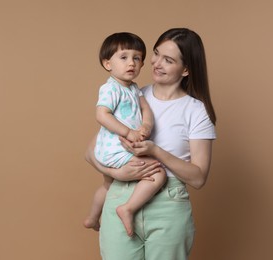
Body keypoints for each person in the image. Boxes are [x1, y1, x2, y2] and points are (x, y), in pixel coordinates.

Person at [85, 28, 217, 260]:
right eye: (156, 54)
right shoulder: (130, 94)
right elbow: (90, 153)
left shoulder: (195, 111)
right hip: (120, 196)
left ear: (185, 69)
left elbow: (198, 178)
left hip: (168, 204)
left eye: (168, 60)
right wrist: (118, 173)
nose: (156, 63)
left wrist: (155, 151)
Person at [83, 32, 167, 237]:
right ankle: (127, 208)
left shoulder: (134, 88)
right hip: (116, 147)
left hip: (112, 147)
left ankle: (93, 218)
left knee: (108, 184)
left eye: (137, 58)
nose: (131, 63)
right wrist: (129, 132)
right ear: (107, 64)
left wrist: (146, 126)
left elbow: (146, 110)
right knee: (158, 174)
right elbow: (102, 115)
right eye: (124, 57)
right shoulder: (110, 88)